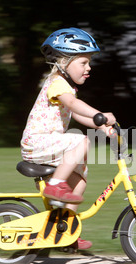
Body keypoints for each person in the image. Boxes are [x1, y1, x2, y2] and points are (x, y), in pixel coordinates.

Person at [20, 27, 116, 249]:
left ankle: (66, 232)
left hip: (48, 143)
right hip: (36, 142)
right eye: (83, 62)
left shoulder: (65, 87)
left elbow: (75, 114)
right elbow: (74, 106)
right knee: (81, 141)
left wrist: (100, 126)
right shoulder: (57, 82)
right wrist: (100, 114)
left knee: (79, 181)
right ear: (64, 61)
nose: (88, 67)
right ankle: (55, 184)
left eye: (89, 62)